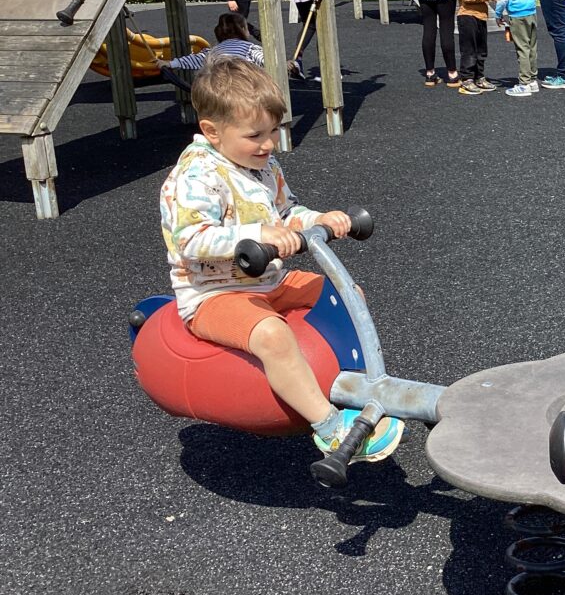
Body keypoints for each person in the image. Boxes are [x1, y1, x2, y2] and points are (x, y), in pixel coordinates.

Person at [159, 58, 404, 464]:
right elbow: (190, 240)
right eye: (255, 135)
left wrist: (320, 220)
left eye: (274, 130)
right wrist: (256, 234)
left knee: (347, 294)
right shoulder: (196, 176)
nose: (269, 144)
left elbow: (286, 213)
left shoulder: (262, 165)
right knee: (272, 334)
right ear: (212, 132)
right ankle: (329, 427)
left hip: (269, 280)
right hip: (212, 294)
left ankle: (357, 387)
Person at [160, 13, 264, 77]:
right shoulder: (249, 49)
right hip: (244, 89)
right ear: (243, 29)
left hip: (220, 90)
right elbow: (263, 60)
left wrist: (170, 63)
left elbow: (195, 59)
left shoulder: (213, 52)